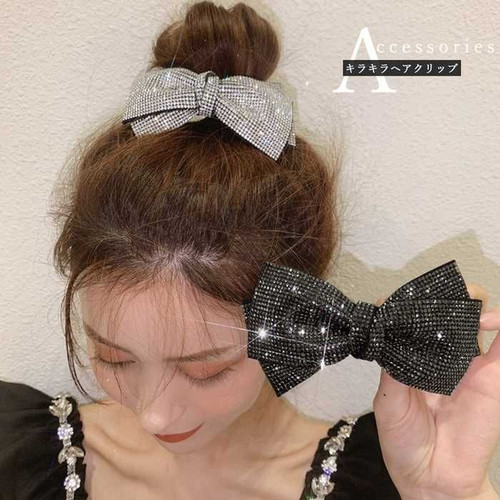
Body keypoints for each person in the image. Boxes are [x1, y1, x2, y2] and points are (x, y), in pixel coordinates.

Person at [1, 1, 499, 500]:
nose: (154, 414)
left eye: (205, 370)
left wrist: (449, 493)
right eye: (114, 359)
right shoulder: (13, 452)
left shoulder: (388, 475)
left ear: (297, 324)